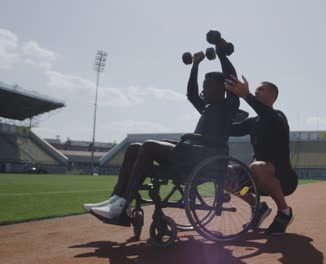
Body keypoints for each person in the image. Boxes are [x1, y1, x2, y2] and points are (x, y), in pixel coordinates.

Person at [83, 46, 239, 224]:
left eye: (208, 87)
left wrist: (220, 51)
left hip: (205, 156)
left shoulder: (229, 106)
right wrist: (195, 65)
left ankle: (124, 204)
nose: (204, 91)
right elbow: (191, 94)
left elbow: (231, 79)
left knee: (149, 145)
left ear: (223, 88)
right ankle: (117, 198)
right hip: (193, 151)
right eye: (204, 87)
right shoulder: (207, 107)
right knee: (134, 148)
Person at [225, 75, 298, 235]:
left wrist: (246, 95)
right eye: (256, 89)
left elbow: (268, 115)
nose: (256, 91)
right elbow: (230, 129)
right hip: (256, 183)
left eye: (260, 89)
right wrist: (210, 108)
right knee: (225, 174)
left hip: (282, 179)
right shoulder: (252, 122)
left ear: (272, 96)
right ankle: (257, 206)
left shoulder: (278, 117)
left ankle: (285, 212)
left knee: (257, 167)